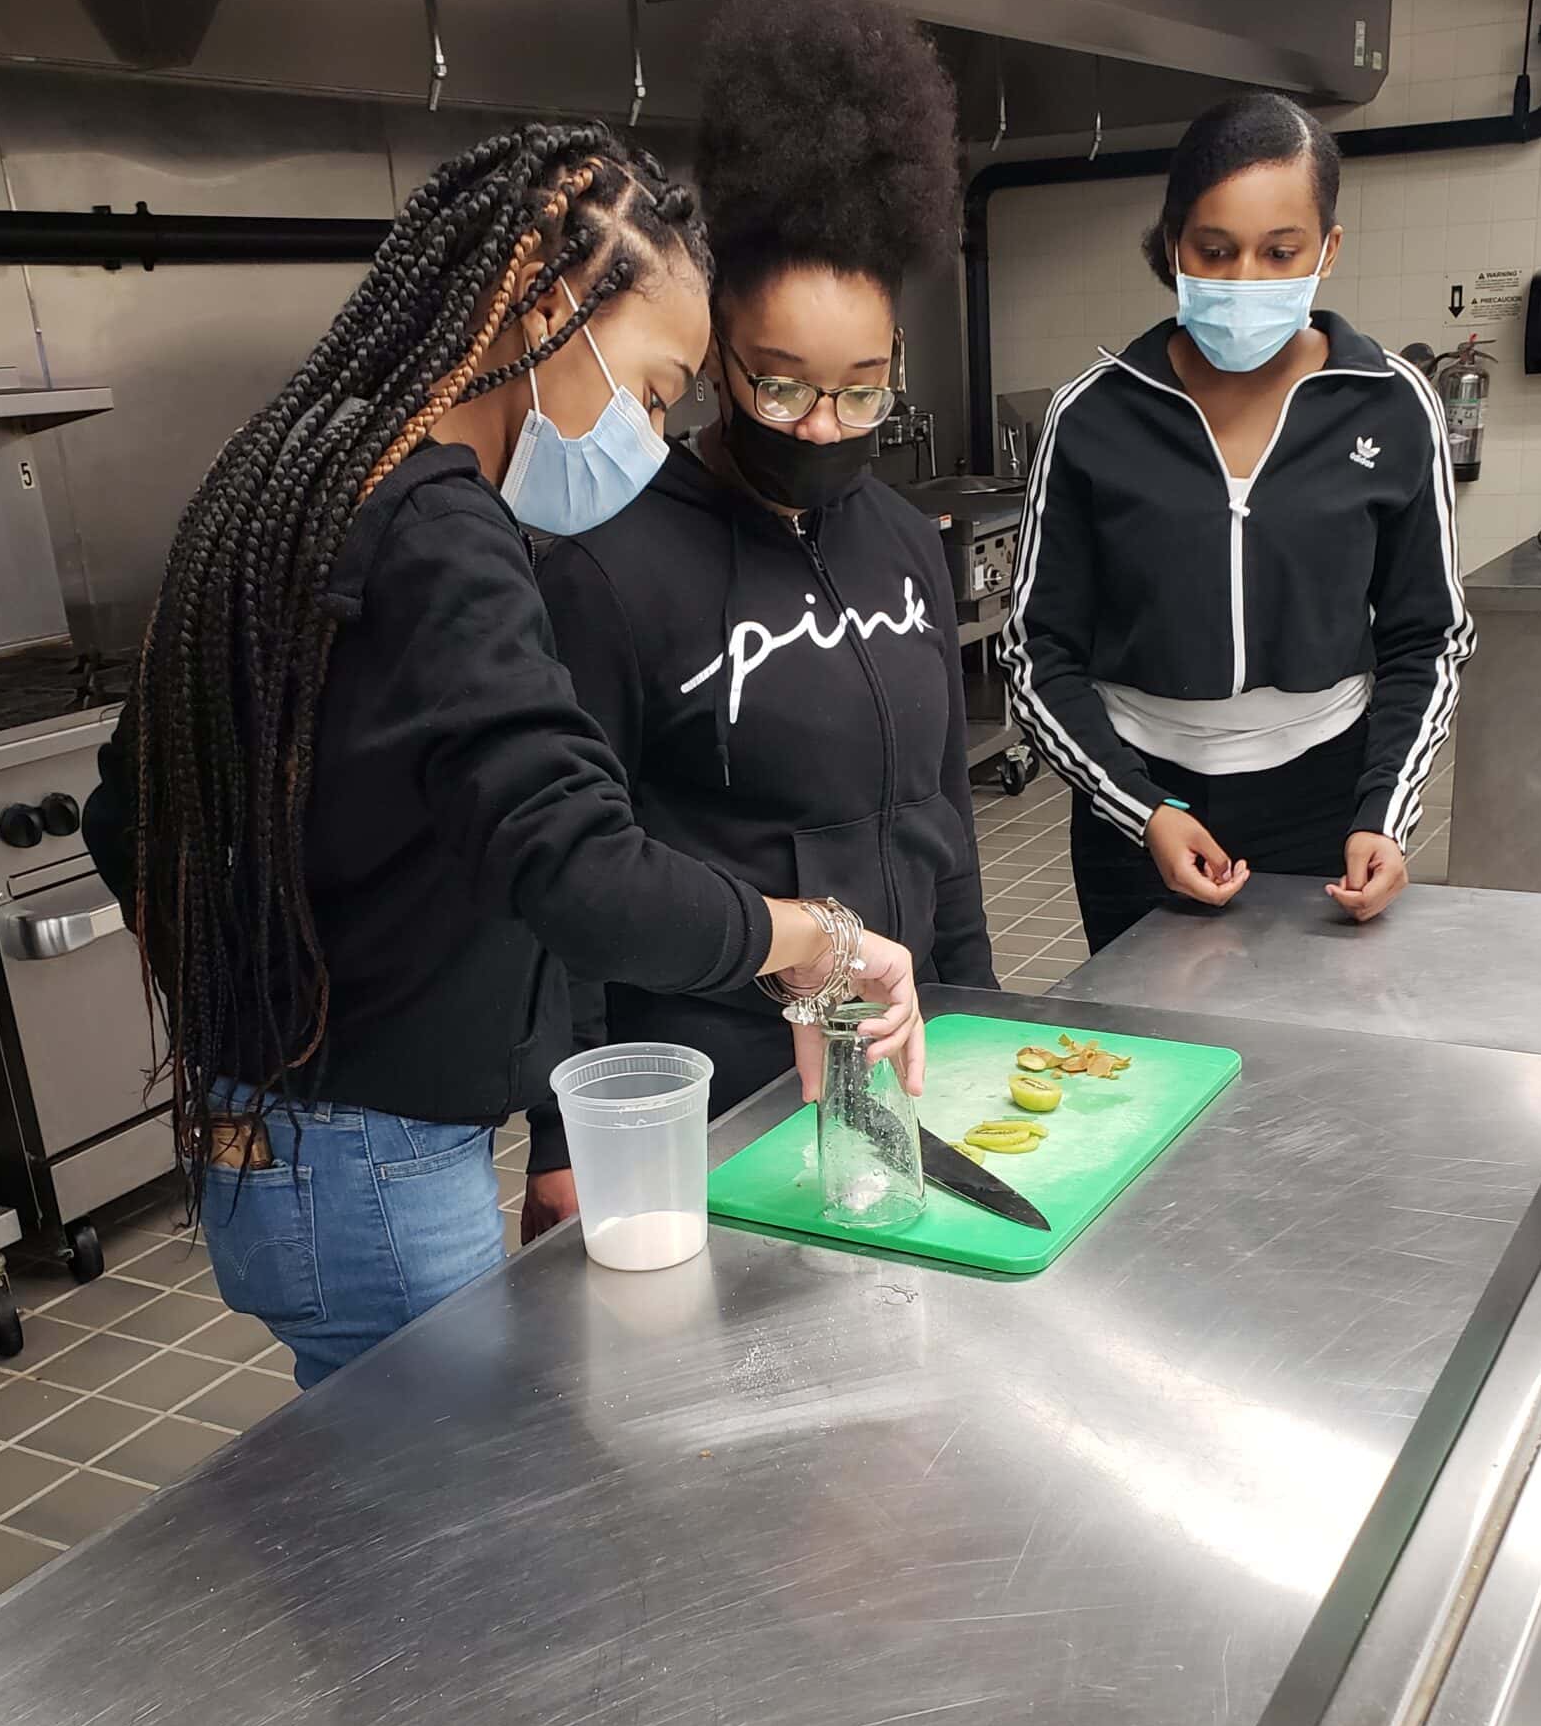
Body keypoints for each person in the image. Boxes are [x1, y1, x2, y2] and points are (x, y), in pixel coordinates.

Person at [83, 122, 923, 1388]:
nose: (646, 438)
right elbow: (583, 869)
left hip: (271, 1147)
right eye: (648, 388)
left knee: (382, 1475)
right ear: (540, 287)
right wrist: (824, 938)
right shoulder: (438, 530)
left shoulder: (304, 472)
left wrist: (256, 1023)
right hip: (373, 1166)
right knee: (445, 1537)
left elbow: (121, 813)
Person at [526, 0, 992, 1239]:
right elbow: (567, 869)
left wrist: (979, 1005)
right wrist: (562, 1142)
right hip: (711, 1081)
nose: (823, 428)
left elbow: (941, 810)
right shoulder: (610, 564)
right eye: (782, 390)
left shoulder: (903, 545)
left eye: (862, 392)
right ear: (717, 353)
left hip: (893, 1040)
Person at [1003, 90, 1472, 954]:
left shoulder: (1393, 407)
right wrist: (1141, 810)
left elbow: (1427, 639)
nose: (1244, 280)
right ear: (1172, 245)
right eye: (1213, 251)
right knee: (1141, 1062)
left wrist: (1386, 812)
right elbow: (1037, 655)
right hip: (1141, 799)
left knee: (1315, 1062)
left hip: (1327, 804)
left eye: (1279, 251)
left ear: (1327, 250)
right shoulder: (1094, 417)